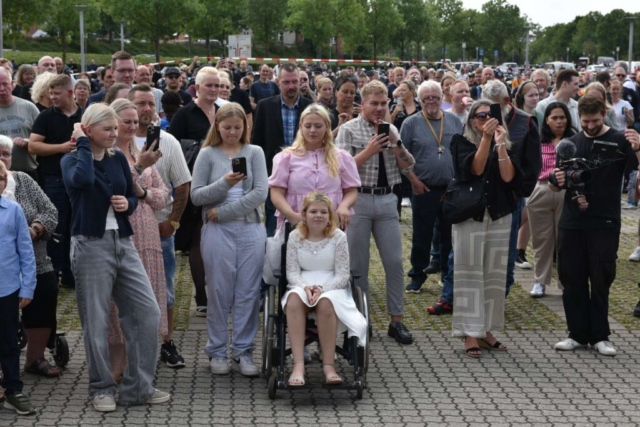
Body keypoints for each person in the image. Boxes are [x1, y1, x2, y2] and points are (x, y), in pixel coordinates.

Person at [61, 104, 170, 411]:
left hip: (124, 242)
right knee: (95, 321)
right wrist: (82, 144)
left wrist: (128, 204)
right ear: (88, 129)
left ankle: (138, 388)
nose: (114, 133)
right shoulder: (72, 160)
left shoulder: (119, 158)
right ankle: (101, 388)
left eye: (115, 128)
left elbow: (134, 195)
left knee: (147, 313)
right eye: (107, 129)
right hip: (89, 244)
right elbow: (81, 181)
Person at [550, 96, 640, 356]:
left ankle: (600, 335)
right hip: (572, 221)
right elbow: (559, 181)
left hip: (605, 221)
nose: (589, 126)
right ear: (579, 118)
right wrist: (556, 180)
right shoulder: (570, 144)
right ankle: (576, 334)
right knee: (571, 278)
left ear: (604, 115)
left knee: (601, 279)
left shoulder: (620, 140)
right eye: (585, 122)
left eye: (595, 121)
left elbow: (634, 169)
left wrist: (636, 148)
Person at [335, 80, 416, 344]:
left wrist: (397, 144)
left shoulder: (391, 128)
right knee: (358, 265)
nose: (380, 109)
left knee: (394, 262)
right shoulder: (347, 130)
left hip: (387, 200)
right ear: (363, 103)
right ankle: (361, 320)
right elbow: (340, 170)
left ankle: (396, 320)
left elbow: (408, 166)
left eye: (384, 104)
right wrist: (369, 150)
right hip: (357, 200)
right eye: (375, 104)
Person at [191, 103, 268, 376]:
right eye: (227, 127)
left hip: (249, 230)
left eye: (237, 127)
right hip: (217, 233)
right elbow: (196, 196)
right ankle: (217, 350)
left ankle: (243, 351)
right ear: (217, 127)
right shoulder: (207, 154)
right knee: (218, 292)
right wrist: (225, 182)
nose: (233, 132)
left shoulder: (255, 152)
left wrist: (223, 212)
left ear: (245, 127)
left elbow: (260, 193)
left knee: (248, 292)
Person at [451, 99, 522, 357]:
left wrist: (499, 143)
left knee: (494, 275)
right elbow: (475, 169)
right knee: (469, 273)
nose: (486, 120)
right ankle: (471, 333)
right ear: (472, 120)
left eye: (491, 116)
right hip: (470, 214)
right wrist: (485, 139)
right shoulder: (461, 143)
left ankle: (487, 330)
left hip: (499, 214)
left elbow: (508, 177)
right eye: (481, 116)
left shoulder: (507, 145)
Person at [127, 84, 192, 368]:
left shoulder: (168, 142)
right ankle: (129, 346)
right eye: (139, 104)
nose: (145, 109)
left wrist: (173, 221)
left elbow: (183, 183)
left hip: (159, 230)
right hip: (126, 232)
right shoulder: (120, 142)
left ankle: (166, 342)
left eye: (149, 104)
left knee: (164, 291)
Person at [108, 99, 171, 379]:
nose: (133, 126)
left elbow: (162, 195)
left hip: (147, 236)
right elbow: (111, 191)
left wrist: (143, 194)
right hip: (119, 234)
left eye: (136, 121)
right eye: (127, 121)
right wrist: (139, 175)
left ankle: (142, 366)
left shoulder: (140, 151)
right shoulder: (106, 155)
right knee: (116, 305)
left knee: (147, 303)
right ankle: (117, 366)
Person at [283, 191, 367, 386]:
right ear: (304, 215)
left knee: (326, 304)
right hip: (302, 283)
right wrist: (305, 288)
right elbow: (292, 273)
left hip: (332, 285)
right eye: (313, 211)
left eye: (323, 211)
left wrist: (322, 289)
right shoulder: (295, 237)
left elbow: (343, 275)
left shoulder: (338, 237)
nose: (318, 215)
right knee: (294, 301)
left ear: (330, 216)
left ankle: (329, 366)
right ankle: (298, 365)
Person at [168, 66, 227, 318]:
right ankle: (202, 296)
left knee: (220, 240)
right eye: (209, 85)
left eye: (218, 86)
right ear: (198, 87)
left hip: (225, 183)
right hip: (194, 184)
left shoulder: (225, 111)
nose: (214, 90)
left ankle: (220, 292)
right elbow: (171, 146)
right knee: (198, 240)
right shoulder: (185, 114)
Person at [0, 135, 59, 380]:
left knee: (45, 293)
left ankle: (35, 358)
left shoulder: (23, 180)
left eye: (5, 153)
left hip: (35, 259)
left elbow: (50, 211)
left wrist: (33, 230)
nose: (1, 159)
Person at [401, 81, 462, 316]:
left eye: (435, 97)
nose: (431, 102)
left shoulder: (454, 120)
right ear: (419, 100)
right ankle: (417, 274)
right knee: (422, 234)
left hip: (450, 189)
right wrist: (414, 180)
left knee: (449, 235)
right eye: (426, 98)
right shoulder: (411, 123)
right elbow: (402, 156)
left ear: (442, 98)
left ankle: (448, 278)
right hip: (423, 188)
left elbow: (462, 151)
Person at [482, 79, 541, 296]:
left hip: (512, 196)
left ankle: (501, 292)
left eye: (493, 105)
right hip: (484, 195)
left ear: (506, 101)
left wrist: (520, 192)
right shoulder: (481, 118)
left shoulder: (526, 122)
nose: (488, 111)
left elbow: (533, 164)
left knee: (506, 249)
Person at [29, 74, 83, 289]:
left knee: (77, 228)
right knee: (56, 228)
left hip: (80, 181)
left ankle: (72, 274)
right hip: (54, 181)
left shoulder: (85, 115)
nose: (52, 97)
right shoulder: (45, 116)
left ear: (70, 92)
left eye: (56, 93)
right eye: (50, 93)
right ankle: (54, 273)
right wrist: (61, 148)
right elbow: (33, 146)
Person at [269, 104, 360, 232]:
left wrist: (344, 206)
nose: (312, 130)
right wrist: (291, 215)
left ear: (327, 126)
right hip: (296, 223)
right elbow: (276, 192)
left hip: (332, 223)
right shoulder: (286, 158)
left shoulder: (342, 157)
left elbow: (351, 190)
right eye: (308, 126)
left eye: (318, 126)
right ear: (301, 126)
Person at [252, 63, 314, 237]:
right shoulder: (265, 106)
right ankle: (275, 260)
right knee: (274, 224)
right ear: (277, 82)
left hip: (304, 175)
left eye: (295, 82)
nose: (291, 86)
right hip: (275, 175)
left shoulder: (310, 107)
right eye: (286, 82)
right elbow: (257, 141)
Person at [0, 160, 37, 415]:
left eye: (0, 180)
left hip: (7, 288)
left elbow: (26, 251)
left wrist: (27, 287)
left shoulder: (13, 211)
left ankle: (13, 389)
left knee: (8, 342)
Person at [528, 103, 574, 298]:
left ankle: (567, 282)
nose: (558, 121)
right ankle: (540, 281)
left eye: (562, 117)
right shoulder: (538, 141)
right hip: (542, 189)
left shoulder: (574, 140)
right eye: (554, 117)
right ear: (546, 119)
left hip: (567, 192)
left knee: (566, 241)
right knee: (541, 240)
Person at [0, 68, 41, 179]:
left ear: (13, 84)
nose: (2, 89)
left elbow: (44, 138)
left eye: (5, 84)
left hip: (27, 174)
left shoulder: (29, 107)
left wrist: (27, 142)